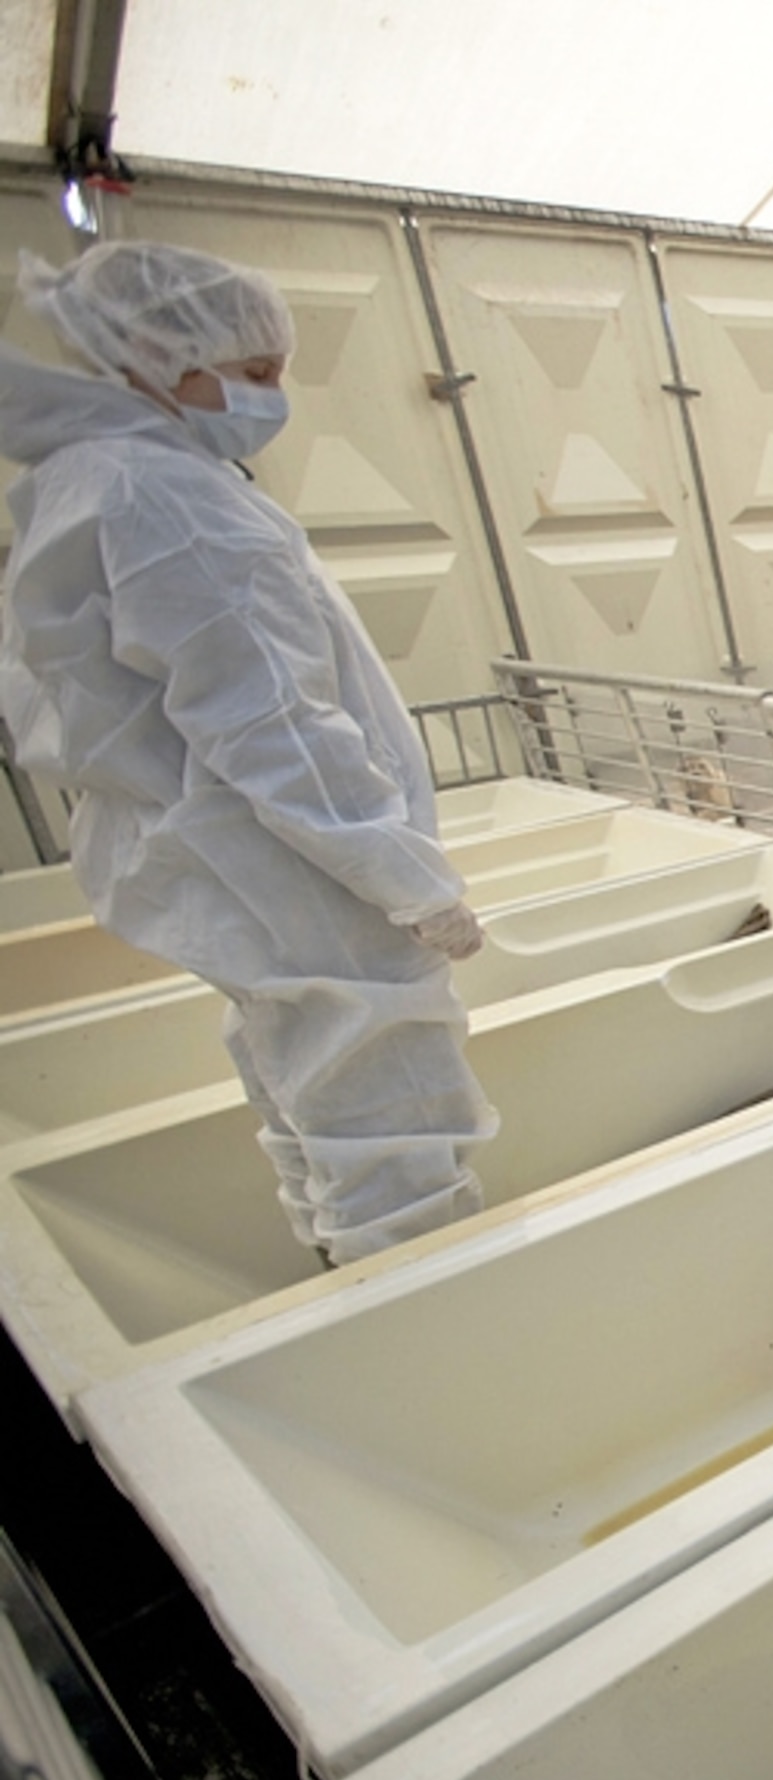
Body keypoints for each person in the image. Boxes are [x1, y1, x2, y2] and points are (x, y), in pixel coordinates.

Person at [0, 241, 495, 1265]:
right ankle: (424, 1306)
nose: (271, 398)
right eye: (254, 372)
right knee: (390, 1108)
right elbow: (272, 720)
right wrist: (406, 878)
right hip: (287, 857)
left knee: (305, 1074)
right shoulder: (168, 498)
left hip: (210, 845)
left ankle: (342, 1273)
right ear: (159, 358)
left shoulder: (91, 478)